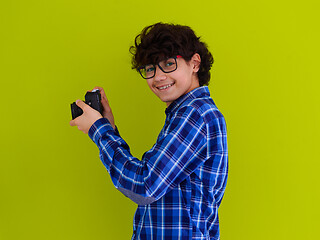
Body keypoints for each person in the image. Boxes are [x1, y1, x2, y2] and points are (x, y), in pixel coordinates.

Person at [70, 22, 228, 240]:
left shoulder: (196, 114)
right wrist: (108, 127)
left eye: (169, 64)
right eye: (150, 68)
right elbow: (154, 180)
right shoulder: (184, 114)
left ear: (195, 63)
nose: (158, 77)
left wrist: (99, 130)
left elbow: (145, 186)